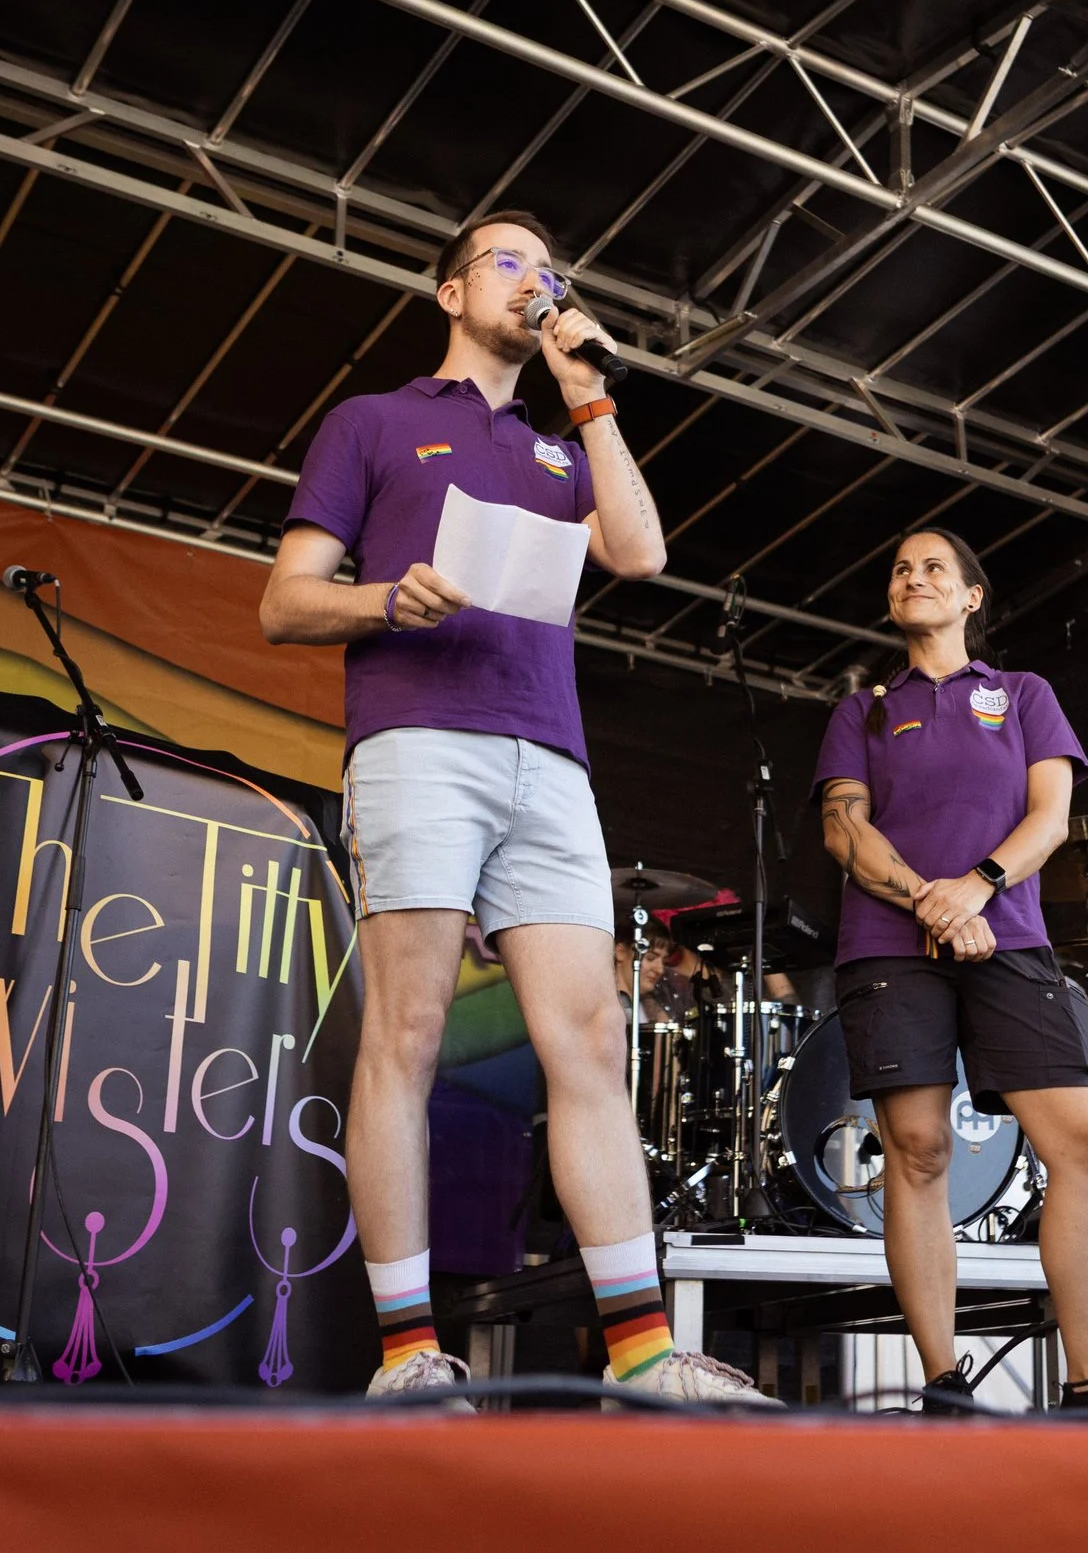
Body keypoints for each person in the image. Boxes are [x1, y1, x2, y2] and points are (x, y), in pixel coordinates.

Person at [261, 211, 772, 1406]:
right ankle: (407, 1355)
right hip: (418, 740)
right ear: (448, 291)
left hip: (549, 758)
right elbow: (285, 601)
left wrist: (588, 395)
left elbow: (640, 553)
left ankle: (644, 1353)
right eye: (508, 261)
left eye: (549, 269)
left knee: (588, 1038)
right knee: (407, 1031)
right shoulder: (373, 421)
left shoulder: (556, 447)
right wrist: (387, 600)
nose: (534, 280)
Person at [814, 529, 1088, 1412]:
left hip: (1008, 936)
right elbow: (844, 830)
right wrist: (933, 904)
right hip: (890, 946)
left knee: (1085, 1141)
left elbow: (1051, 817)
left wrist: (975, 889)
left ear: (972, 596)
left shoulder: (1024, 693)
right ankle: (944, 1388)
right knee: (918, 1150)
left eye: (934, 566)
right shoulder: (860, 712)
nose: (913, 577)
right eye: (900, 568)